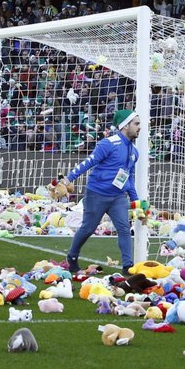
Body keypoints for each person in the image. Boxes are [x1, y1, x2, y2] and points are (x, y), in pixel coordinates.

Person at [61, 108, 142, 274]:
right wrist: (69, 178)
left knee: (124, 228)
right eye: (136, 123)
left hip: (118, 197)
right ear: (125, 126)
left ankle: (128, 266)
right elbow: (89, 162)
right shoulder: (108, 143)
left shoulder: (134, 152)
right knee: (87, 229)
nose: (139, 127)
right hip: (96, 194)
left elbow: (130, 179)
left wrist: (137, 203)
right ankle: (72, 256)